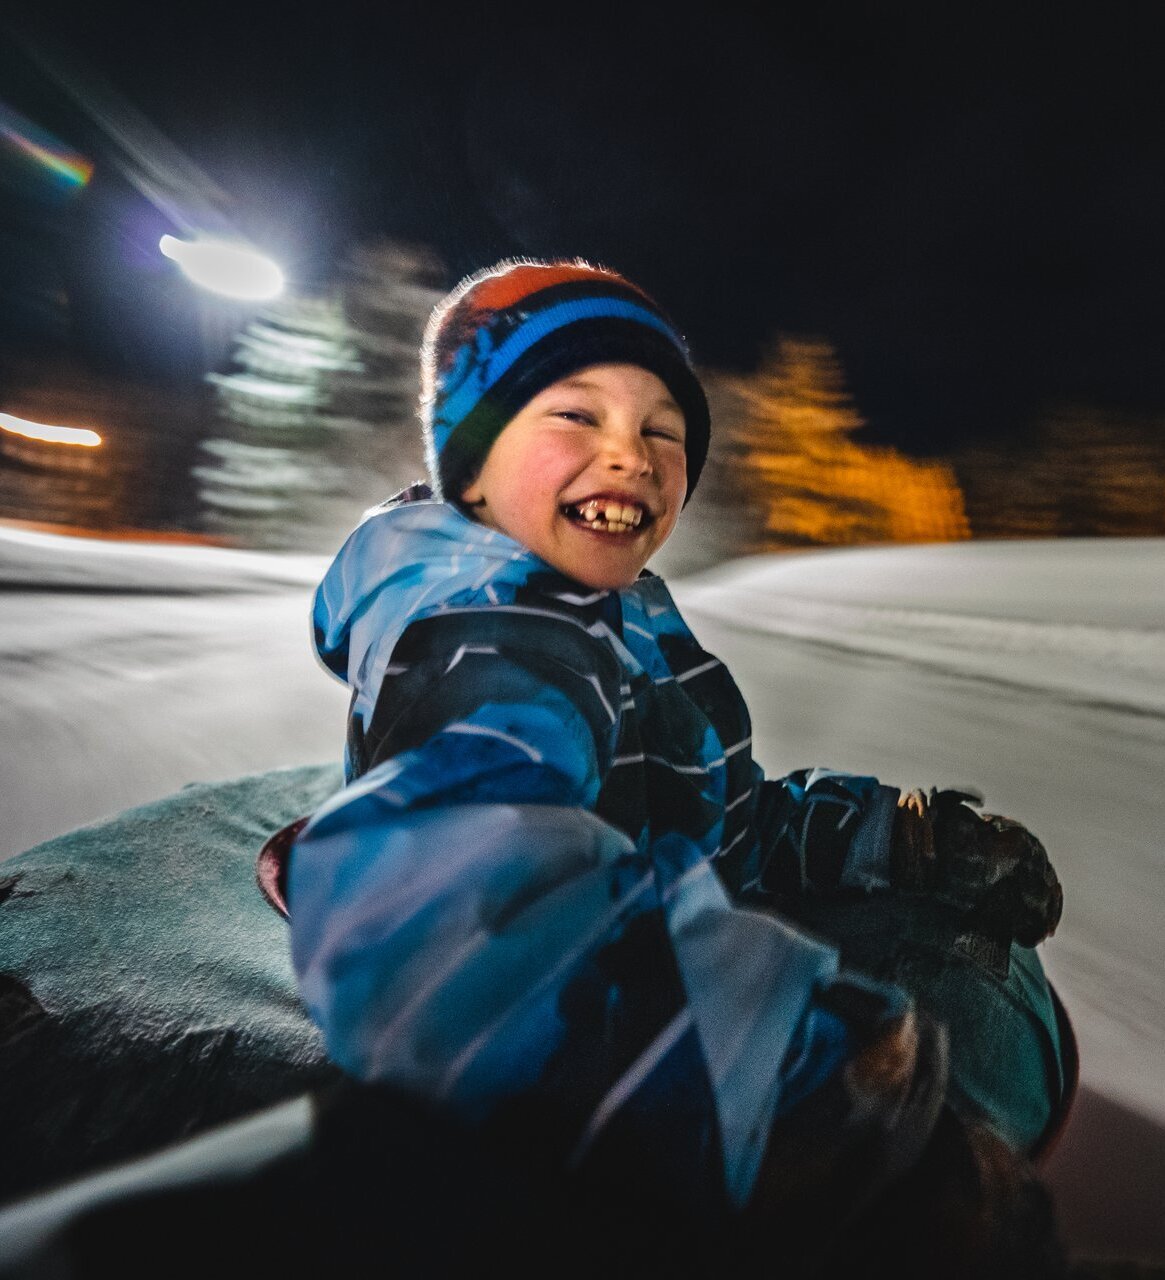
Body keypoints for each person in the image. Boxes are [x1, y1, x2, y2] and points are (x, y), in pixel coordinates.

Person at [278, 257, 1070, 1272]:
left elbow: (725, 819)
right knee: (963, 1006)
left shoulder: (623, 607)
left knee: (971, 957)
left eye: (662, 428)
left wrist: (900, 831)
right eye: (575, 413)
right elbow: (466, 926)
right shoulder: (487, 633)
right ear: (468, 464)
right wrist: (823, 1130)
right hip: (598, 1069)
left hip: (669, 928)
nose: (632, 453)